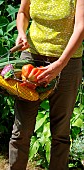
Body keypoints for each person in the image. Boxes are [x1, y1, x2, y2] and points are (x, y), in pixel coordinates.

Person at [9, 0, 84, 170]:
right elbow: (23, 13)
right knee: (21, 130)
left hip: (67, 63)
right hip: (31, 61)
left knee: (61, 132)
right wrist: (21, 32)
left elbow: (81, 27)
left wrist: (60, 64)